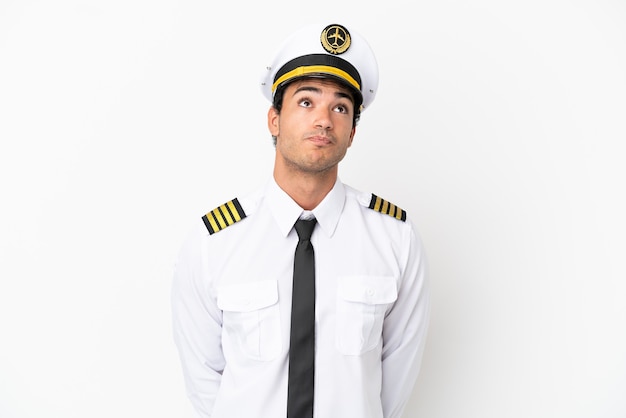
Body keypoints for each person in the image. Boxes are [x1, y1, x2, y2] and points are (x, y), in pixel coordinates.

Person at [171, 22, 430, 418]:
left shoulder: (394, 239)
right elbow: (205, 380)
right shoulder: (215, 242)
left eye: (340, 107)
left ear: (352, 133)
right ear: (274, 119)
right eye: (306, 102)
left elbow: (392, 383)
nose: (324, 119)